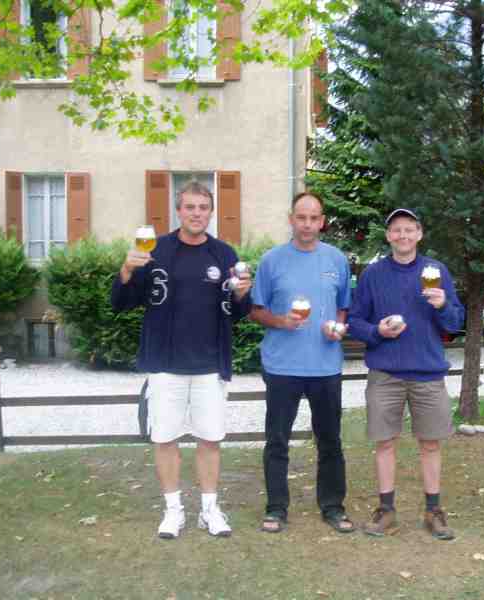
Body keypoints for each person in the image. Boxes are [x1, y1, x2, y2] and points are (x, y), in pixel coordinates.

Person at [111, 180, 252, 539]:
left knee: (210, 440)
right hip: (164, 363)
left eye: (203, 208)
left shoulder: (224, 254)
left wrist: (242, 295)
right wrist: (126, 271)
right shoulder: (155, 250)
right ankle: (173, 511)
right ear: (178, 210)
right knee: (165, 439)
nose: (196, 214)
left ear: (211, 212)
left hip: (209, 365)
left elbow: (239, 312)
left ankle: (209, 510)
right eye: (189, 207)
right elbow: (123, 303)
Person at [347, 208, 465, 540]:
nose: (403, 235)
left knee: (430, 445)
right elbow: (355, 321)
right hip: (385, 373)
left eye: (409, 229)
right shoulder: (373, 274)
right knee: (385, 443)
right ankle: (386, 511)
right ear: (388, 236)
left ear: (419, 233)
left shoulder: (436, 271)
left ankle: (433, 511)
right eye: (396, 230)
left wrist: (443, 304)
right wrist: (377, 332)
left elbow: (455, 323)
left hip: (427, 373)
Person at [250, 191, 355, 534]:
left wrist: (336, 327)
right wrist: (281, 322)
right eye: (301, 217)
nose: (307, 224)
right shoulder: (271, 261)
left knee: (330, 440)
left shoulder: (336, 259)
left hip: (325, 365)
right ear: (291, 219)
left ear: (322, 221)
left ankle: (333, 507)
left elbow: (343, 306)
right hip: (282, 366)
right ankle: (276, 507)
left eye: (314, 218)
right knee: (277, 441)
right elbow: (255, 309)